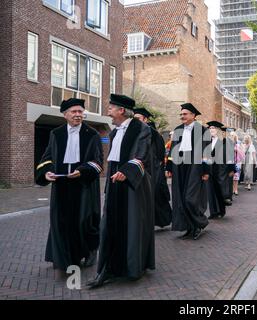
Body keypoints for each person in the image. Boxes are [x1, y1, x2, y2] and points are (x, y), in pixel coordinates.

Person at [88, 94, 155, 288]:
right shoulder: (114, 133)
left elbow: (141, 155)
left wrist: (126, 172)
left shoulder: (142, 129)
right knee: (109, 225)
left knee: (132, 226)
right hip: (115, 184)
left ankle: (133, 267)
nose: (108, 111)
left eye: (111, 108)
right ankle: (108, 268)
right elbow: (113, 161)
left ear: (121, 110)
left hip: (132, 185)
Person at [35, 98, 103, 277]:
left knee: (84, 221)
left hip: (84, 185)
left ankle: (89, 252)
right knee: (61, 222)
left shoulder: (92, 134)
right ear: (65, 114)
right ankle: (64, 258)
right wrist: (47, 172)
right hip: (61, 185)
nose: (78, 115)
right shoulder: (56, 133)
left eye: (80, 112)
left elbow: (97, 162)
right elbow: (47, 157)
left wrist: (82, 171)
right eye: (74, 112)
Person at [166, 103, 210, 240]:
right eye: (181, 114)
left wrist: (205, 170)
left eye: (185, 114)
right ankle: (189, 227)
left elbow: (206, 153)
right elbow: (173, 150)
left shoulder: (202, 130)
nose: (182, 116)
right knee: (180, 197)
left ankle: (199, 224)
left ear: (193, 115)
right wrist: (169, 167)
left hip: (195, 167)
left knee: (191, 198)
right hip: (179, 166)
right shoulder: (178, 129)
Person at [134, 108, 172, 229]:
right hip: (141, 167)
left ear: (145, 119)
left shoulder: (153, 133)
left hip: (153, 169)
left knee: (155, 195)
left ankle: (160, 220)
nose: (136, 121)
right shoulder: (136, 131)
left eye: (138, 118)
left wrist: (156, 167)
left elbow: (160, 153)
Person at [205, 121, 235, 219]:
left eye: (213, 128)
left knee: (220, 190)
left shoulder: (225, 141)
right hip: (209, 168)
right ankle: (213, 212)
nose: (211, 130)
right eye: (210, 128)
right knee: (210, 190)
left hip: (221, 169)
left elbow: (230, 155)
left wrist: (231, 169)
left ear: (218, 130)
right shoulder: (206, 142)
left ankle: (221, 210)